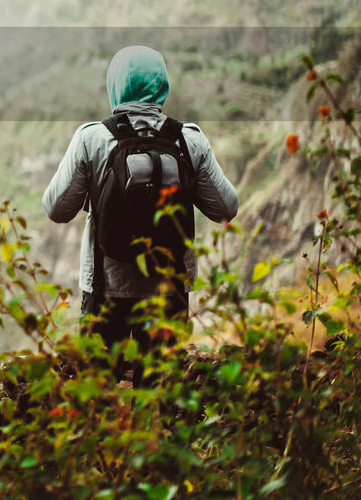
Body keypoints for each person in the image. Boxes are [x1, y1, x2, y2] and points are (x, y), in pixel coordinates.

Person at [43, 45, 239, 375]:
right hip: (169, 290)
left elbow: (56, 209)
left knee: (99, 390)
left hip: (106, 290)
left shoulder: (92, 138)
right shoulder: (188, 140)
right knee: (161, 395)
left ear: (115, 86)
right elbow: (225, 208)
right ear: (162, 84)